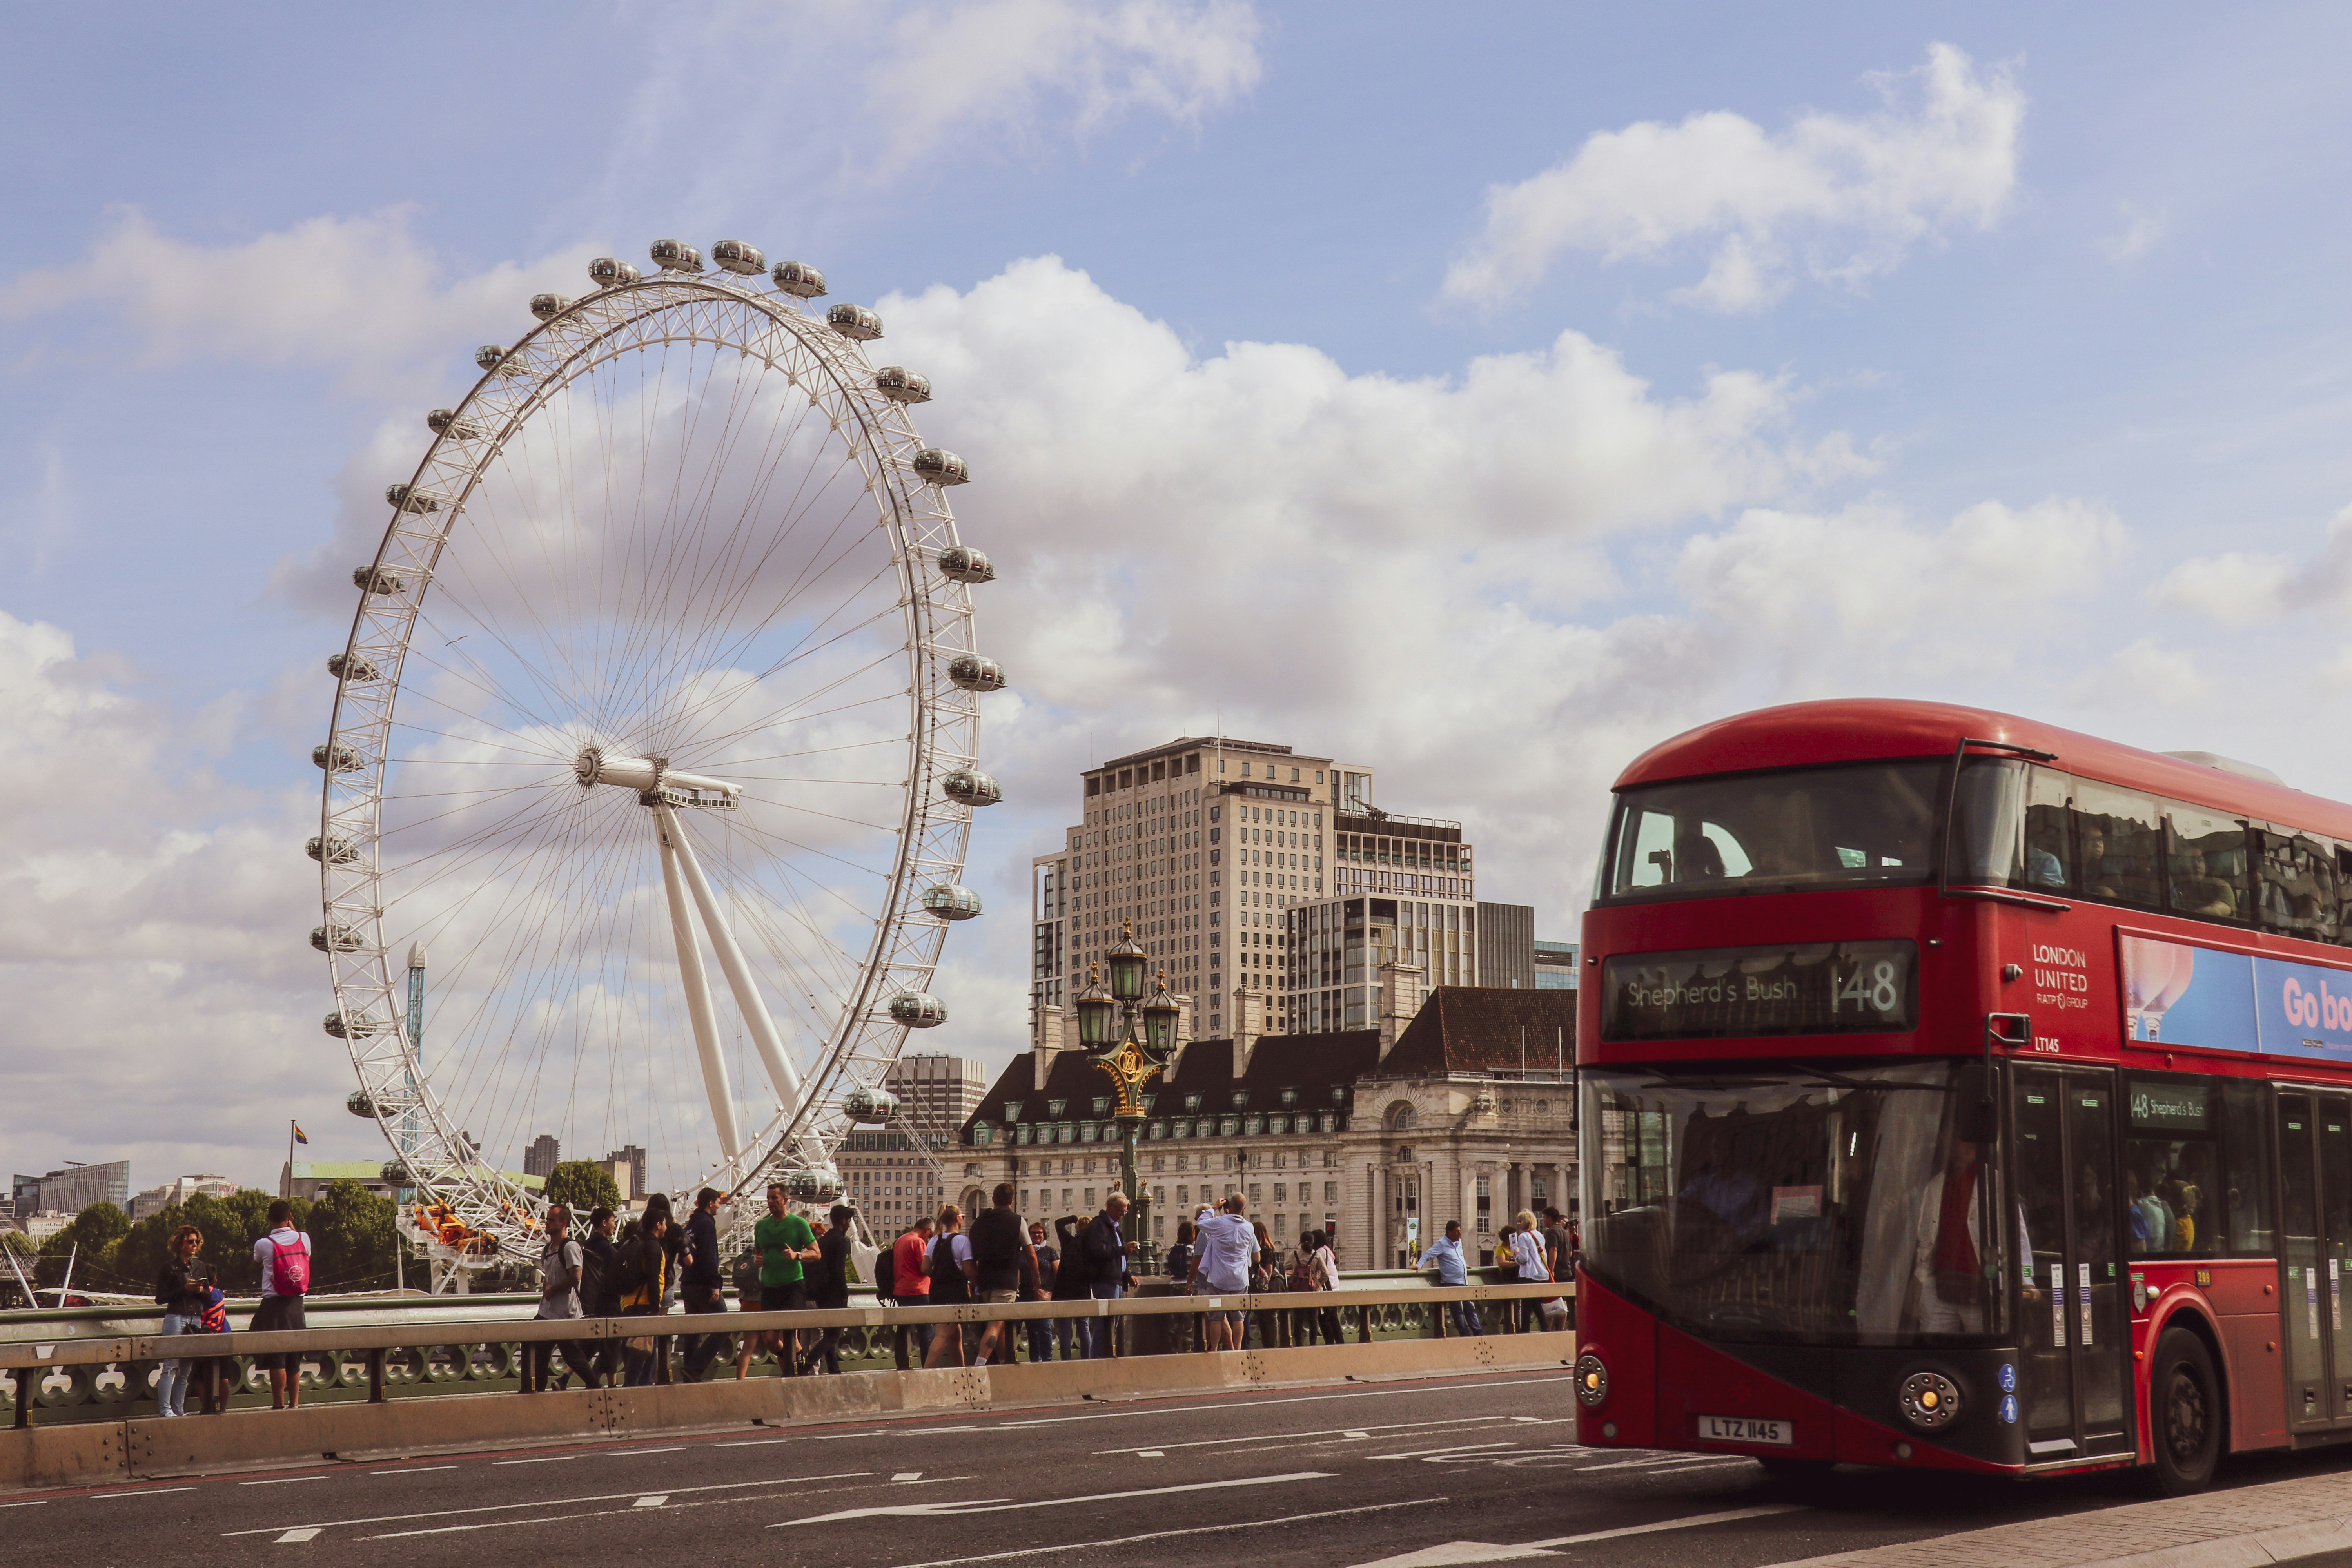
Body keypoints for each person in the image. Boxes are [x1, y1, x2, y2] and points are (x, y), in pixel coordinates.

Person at [739, 1183, 817, 1378]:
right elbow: (758, 1253)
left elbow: (817, 1254)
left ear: (785, 1200)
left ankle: (796, 1377)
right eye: (768, 1198)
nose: (770, 1202)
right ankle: (800, 1364)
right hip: (770, 1288)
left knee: (790, 1337)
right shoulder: (762, 1226)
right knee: (771, 1341)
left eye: (775, 1198)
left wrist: (798, 1255)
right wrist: (758, 1261)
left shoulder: (799, 1224)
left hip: (793, 1286)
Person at [251, 1199, 313, 1409]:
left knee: (277, 1357)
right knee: (294, 1357)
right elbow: (304, 1252)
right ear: (290, 1217)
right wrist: (291, 1225)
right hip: (297, 1304)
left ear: (269, 1219)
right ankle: (295, 1403)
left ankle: (278, 1403)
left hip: (274, 1304)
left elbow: (257, 1261)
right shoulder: (304, 1239)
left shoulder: (264, 1244)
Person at [524, 1205, 592, 1392]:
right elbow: (549, 1275)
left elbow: (576, 1276)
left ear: (564, 1224)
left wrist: (554, 1290)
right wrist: (547, 1286)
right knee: (538, 1353)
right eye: (547, 1219)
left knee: (572, 1357)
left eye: (552, 1220)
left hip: (565, 1313)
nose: (547, 1223)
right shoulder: (547, 1249)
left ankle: (595, 1387)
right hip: (547, 1311)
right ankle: (536, 1392)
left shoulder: (570, 1247)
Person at [967, 1183, 1028, 1367]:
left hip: (984, 1281)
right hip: (1006, 1281)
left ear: (992, 1199)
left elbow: (972, 1256)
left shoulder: (978, 1223)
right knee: (995, 1324)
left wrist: (975, 1280)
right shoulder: (1017, 1221)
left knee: (999, 1324)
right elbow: (1031, 1253)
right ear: (1012, 1201)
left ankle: (1004, 1363)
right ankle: (979, 1365)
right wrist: (1037, 1279)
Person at [153, 1224, 210, 1417]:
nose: (195, 1245)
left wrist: (202, 1290)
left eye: (197, 1241)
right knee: (171, 1366)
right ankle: (165, 1410)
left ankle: (179, 1409)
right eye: (190, 1241)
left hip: (196, 1317)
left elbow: (209, 1296)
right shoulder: (169, 1268)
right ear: (180, 1244)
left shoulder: (200, 1266)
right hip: (176, 1317)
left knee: (186, 1369)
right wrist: (184, 1290)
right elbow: (160, 1298)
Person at [678, 1187, 732, 1381]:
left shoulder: (690, 1225)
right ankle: (695, 1367)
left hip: (687, 1284)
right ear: (710, 1203)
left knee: (694, 1331)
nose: (719, 1206)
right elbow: (710, 1257)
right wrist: (715, 1285)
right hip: (703, 1285)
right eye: (718, 1202)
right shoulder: (707, 1224)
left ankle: (688, 1373)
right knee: (725, 1325)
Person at [1190, 1194, 1255, 1352]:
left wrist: (1214, 1208)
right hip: (1240, 1278)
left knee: (1216, 1317)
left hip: (1219, 1278)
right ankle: (1237, 1351)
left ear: (1228, 1207)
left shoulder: (1220, 1223)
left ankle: (1214, 1351)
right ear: (1244, 1208)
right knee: (1239, 1317)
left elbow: (1201, 1223)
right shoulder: (1249, 1227)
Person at [615, 1208, 671, 1386]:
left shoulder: (633, 1243)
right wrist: (656, 1310)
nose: (667, 1227)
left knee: (636, 1352)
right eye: (665, 1223)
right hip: (645, 1305)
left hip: (627, 1303)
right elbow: (654, 1279)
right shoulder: (653, 1246)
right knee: (643, 1356)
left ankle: (637, 1390)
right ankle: (634, 1391)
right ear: (658, 1225)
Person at [1080, 1193, 1137, 1359]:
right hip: (1105, 1282)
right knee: (1104, 1326)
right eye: (1121, 1211)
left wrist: (1127, 1275)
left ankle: (1104, 1356)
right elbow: (1098, 1251)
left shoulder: (1114, 1227)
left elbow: (1119, 1259)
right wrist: (1123, 1249)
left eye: (1125, 1211)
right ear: (1110, 1207)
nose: (1123, 1215)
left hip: (1116, 1281)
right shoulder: (1099, 1225)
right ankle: (1097, 1359)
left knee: (1112, 1326)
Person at [801, 1204, 855, 1374]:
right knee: (834, 1335)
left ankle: (834, 1369)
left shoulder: (823, 1240)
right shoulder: (841, 1241)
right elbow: (838, 1271)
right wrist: (844, 1294)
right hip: (834, 1295)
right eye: (849, 1221)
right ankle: (807, 1364)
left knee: (828, 1332)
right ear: (845, 1221)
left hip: (819, 1294)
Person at [923, 1205, 975, 1367]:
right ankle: (925, 1373)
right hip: (955, 1293)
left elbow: (925, 1269)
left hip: (937, 1293)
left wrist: (940, 1275)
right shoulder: (962, 1241)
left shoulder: (934, 1240)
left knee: (955, 1334)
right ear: (958, 1219)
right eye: (963, 1216)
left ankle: (961, 1370)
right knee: (943, 1335)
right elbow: (968, 1272)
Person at [579, 1206, 621, 1388]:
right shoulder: (608, 1250)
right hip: (608, 1302)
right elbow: (616, 1277)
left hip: (589, 1303)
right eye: (612, 1222)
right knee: (612, 1346)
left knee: (589, 1347)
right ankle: (612, 1387)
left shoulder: (585, 1245)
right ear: (604, 1223)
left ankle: (573, 1379)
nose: (614, 1226)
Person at [1418, 1219, 1482, 1337]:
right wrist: (1419, 1265)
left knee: (1470, 1308)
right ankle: (1465, 1335)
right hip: (1451, 1282)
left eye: (1460, 1231)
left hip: (1463, 1281)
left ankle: (1479, 1333)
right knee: (1458, 1311)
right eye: (1457, 1232)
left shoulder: (1459, 1242)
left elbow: (1460, 1255)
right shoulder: (1442, 1244)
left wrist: (1463, 1264)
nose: (1460, 1234)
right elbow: (1428, 1255)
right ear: (1449, 1232)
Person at [891, 1214, 937, 1370]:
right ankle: (928, 1365)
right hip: (919, 1291)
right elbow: (925, 1268)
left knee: (904, 1329)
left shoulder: (901, 1240)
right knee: (926, 1330)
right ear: (927, 1230)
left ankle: (902, 1364)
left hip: (901, 1290)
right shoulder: (918, 1243)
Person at [1024, 1220, 1064, 1363]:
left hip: (1045, 1296)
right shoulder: (1025, 1251)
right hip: (1026, 1295)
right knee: (1031, 1330)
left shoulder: (1050, 1251)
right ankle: (1034, 1359)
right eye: (1033, 1233)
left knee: (1044, 1328)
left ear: (1044, 1235)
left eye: (1039, 1233)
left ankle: (1047, 1359)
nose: (1037, 1235)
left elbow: (1058, 1273)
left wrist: (1055, 1293)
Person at [1505, 1209, 1550, 1331]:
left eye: (1520, 1221)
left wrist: (1516, 1257)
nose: (1518, 1224)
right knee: (1537, 1306)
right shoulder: (1539, 1235)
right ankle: (1546, 1330)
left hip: (1529, 1275)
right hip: (1542, 1274)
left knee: (1526, 1307)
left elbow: (1524, 1258)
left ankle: (1525, 1332)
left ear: (1526, 1222)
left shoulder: (1524, 1237)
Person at [1306, 1228, 1345, 1346]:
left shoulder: (1321, 1252)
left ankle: (1331, 1343)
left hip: (1327, 1289)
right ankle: (1339, 1343)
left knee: (1324, 1319)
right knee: (1333, 1318)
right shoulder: (1328, 1250)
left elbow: (1314, 1267)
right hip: (1334, 1287)